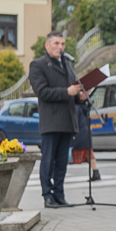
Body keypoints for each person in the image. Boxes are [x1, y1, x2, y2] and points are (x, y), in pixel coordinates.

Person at [29, 31, 85, 208]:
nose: (60, 47)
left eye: (62, 44)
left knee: (62, 162)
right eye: (56, 44)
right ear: (47, 45)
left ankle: (59, 195)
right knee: (48, 160)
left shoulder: (67, 65)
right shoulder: (38, 65)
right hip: (51, 122)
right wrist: (67, 92)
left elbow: (72, 92)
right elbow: (42, 92)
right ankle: (47, 196)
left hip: (68, 121)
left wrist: (80, 96)